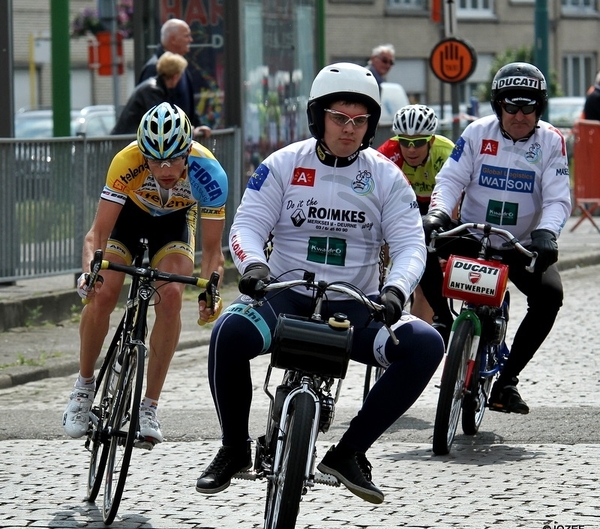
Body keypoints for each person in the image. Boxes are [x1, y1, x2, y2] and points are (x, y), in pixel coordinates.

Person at [194, 63, 444, 504]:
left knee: (426, 343)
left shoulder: (386, 175)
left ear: (370, 124)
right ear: (318, 117)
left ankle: (349, 454)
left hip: (356, 306)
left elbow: (410, 245)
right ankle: (233, 448)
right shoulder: (284, 165)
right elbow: (247, 224)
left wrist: (396, 291)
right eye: (339, 118)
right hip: (284, 298)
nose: (350, 129)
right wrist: (253, 265)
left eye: (360, 120)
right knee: (227, 333)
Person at [62, 102, 228, 445]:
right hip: (128, 218)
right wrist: (89, 273)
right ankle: (83, 388)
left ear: (188, 152)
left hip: (174, 225)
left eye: (173, 160)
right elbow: (97, 234)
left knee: (171, 296)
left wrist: (210, 293)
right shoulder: (127, 162)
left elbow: (212, 252)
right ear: (144, 154)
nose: (165, 169)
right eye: (155, 160)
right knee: (104, 293)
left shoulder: (209, 174)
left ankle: (148, 407)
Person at [419, 62, 571, 414]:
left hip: (521, 244)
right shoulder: (476, 133)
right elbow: (450, 180)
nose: (519, 115)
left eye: (528, 107)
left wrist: (547, 233)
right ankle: (443, 318)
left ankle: (507, 381)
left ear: (540, 108)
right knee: (421, 245)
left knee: (550, 296)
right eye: (511, 106)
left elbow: (557, 197)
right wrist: (440, 213)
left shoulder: (551, 141)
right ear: (497, 105)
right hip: (475, 237)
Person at [377, 104, 454, 323]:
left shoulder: (445, 151)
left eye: (418, 143)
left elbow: (455, 199)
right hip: (405, 205)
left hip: (437, 206)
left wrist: (442, 247)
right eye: (405, 142)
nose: (411, 149)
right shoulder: (387, 154)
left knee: (423, 283)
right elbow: (379, 201)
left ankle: (423, 332)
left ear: (430, 141)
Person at [139, 18, 211, 140]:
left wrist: (199, 126)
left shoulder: (180, 66)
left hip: (178, 144)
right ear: (173, 39)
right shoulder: (154, 68)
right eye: (186, 36)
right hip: (163, 148)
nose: (191, 40)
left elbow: (188, 106)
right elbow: (154, 115)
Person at [111, 52, 189, 135]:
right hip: (128, 142)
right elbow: (161, 122)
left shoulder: (156, 88)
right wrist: (186, 130)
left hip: (130, 141)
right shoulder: (152, 90)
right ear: (175, 76)